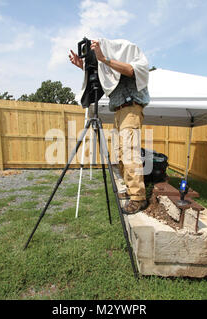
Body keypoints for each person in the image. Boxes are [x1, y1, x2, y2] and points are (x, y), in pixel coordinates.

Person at [69, 38, 150, 214]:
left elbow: (129, 70)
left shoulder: (135, 62)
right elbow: (104, 76)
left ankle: (138, 198)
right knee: (120, 152)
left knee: (130, 151)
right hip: (119, 111)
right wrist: (83, 66)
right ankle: (130, 190)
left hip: (131, 109)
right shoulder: (111, 69)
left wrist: (104, 58)